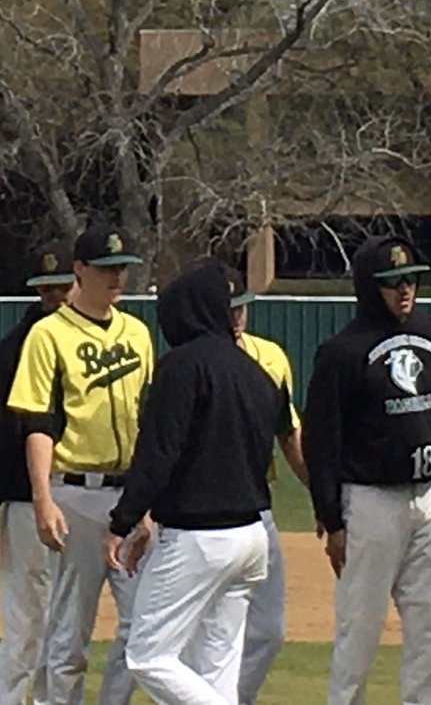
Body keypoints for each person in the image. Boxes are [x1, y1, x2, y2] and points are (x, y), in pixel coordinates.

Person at [104, 258, 291, 705]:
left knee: (148, 655)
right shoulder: (258, 373)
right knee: (216, 666)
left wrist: (122, 522)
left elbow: (158, 454)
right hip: (252, 534)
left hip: (199, 538)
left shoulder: (181, 368)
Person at [303, 236, 431, 705]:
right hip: (370, 501)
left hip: (426, 496)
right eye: (392, 283)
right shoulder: (342, 352)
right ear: (369, 288)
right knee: (360, 628)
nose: (404, 291)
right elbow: (322, 441)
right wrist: (331, 518)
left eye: (410, 280)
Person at [7, 224, 154, 705]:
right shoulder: (47, 335)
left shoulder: (138, 332)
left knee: (141, 634)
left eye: (123, 270)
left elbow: (148, 421)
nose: (118, 279)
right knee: (70, 636)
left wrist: (147, 501)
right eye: (108, 269)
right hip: (76, 491)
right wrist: (43, 498)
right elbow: (37, 422)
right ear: (80, 271)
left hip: (129, 496)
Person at [0, 240, 74, 705]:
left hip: (77, 494)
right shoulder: (18, 344)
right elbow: (0, 426)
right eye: (46, 288)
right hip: (23, 498)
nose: (54, 296)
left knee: (66, 621)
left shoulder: (91, 338)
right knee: (26, 620)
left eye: (62, 286)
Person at [222, 265, 309, 704]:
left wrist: (321, 496)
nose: (238, 316)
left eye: (243, 308)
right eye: (230, 308)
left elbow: (288, 433)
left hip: (259, 505)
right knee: (211, 632)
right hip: (206, 513)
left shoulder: (270, 357)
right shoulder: (192, 359)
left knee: (270, 630)